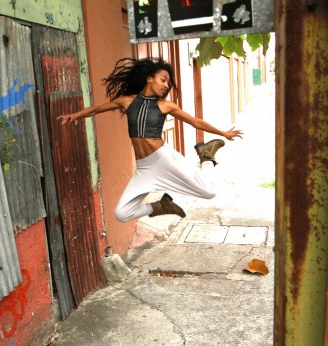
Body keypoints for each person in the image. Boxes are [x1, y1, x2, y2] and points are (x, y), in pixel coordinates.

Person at [58, 57, 242, 223]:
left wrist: (223, 133)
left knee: (209, 192)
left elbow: (195, 121)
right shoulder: (127, 101)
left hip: (164, 159)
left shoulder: (165, 105)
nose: (165, 85)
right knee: (121, 213)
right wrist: (75, 115)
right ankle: (160, 206)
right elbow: (97, 109)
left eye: (167, 83)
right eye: (163, 80)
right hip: (145, 168)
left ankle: (207, 155)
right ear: (149, 78)